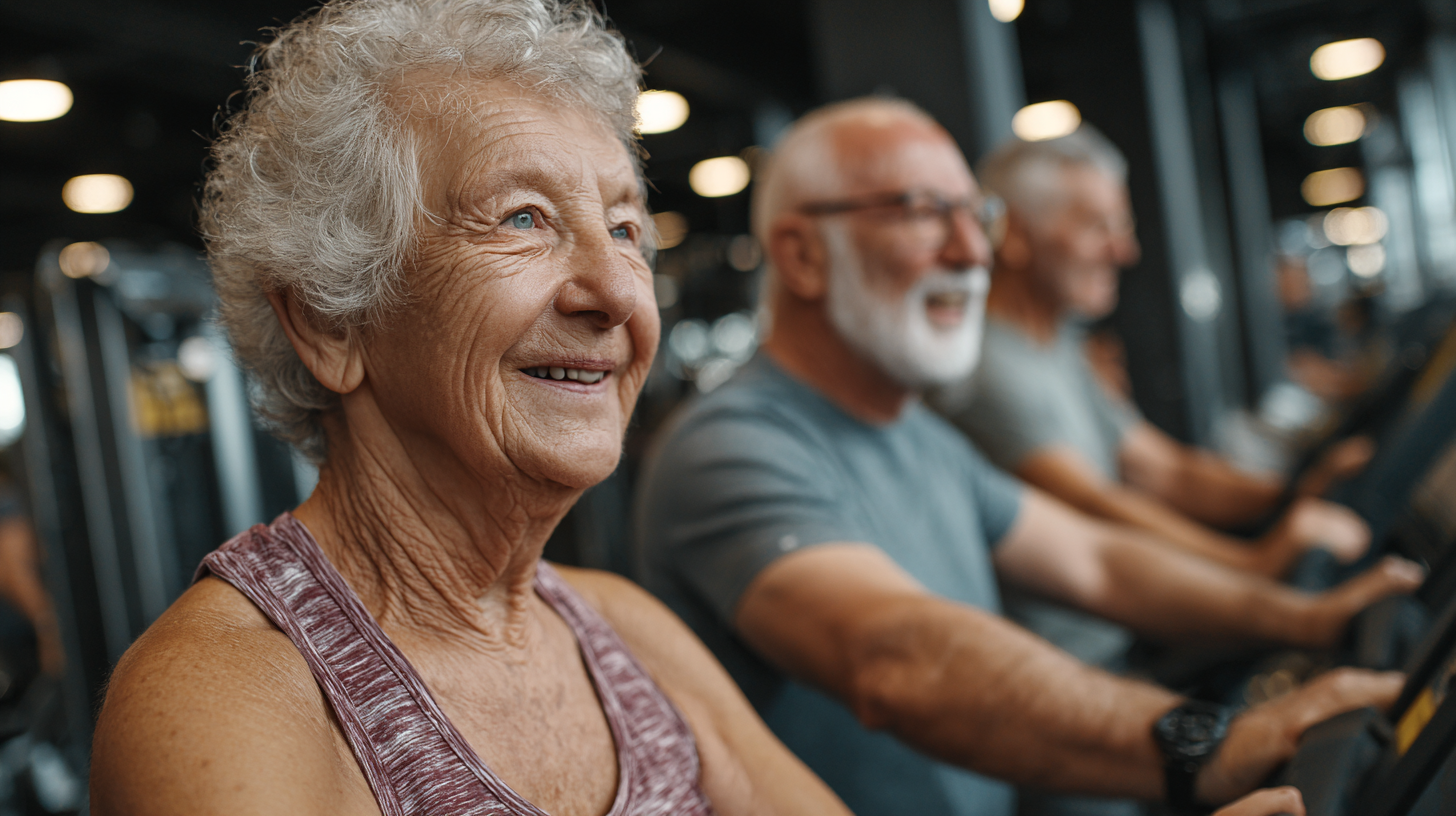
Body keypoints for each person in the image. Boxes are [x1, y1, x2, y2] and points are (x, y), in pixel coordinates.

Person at [88, 3, 854, 814]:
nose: (617, 293)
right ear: (329, 321)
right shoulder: (226, 695)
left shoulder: (624, 631)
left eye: (625, 229)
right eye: (523, 219)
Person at [634, 97, 1422, 816]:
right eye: (923, 212)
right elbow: (896, 658)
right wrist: (1207, 744)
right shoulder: (730, 446)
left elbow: (1097, 561)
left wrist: (1306, 615)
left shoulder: (919, 435)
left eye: (977, 216)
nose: (973, 249)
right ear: (802, 257)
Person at [931, 129, 1374, 583]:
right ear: (1015, 236)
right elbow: (1097, 507)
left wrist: (1295, 494)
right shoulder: (982, 365)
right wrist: (1254, 565)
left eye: (1122, 227)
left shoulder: (1060, 345)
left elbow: (1164, 470)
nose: (1125, 251)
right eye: (1097, 226)